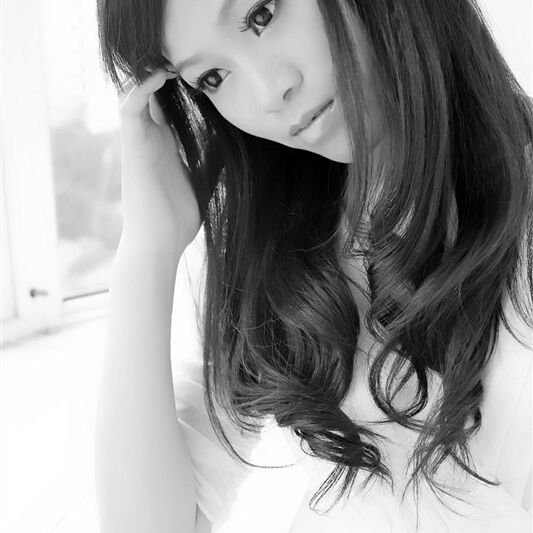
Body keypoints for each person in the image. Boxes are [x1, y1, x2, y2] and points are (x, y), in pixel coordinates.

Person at [93, 1, 533, 532]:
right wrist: (146, 252)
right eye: (213, 77)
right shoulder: (274, 251)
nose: (268, 92)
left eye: (262, 15)